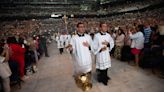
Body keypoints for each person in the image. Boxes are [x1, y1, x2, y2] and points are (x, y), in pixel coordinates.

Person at [68, 22, 93, 90]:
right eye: (80, 27)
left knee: (88, 74)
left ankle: (87, 85)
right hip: (79, 60)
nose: (82, 28)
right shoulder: (74, 38)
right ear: (77, 28)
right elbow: (72, 49)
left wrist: (89, 46)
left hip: (88, 59)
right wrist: (71, 49)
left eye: (83, 27)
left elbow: (93, 47)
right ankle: (83, 86)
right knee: (81, 76)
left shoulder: (88, 37)